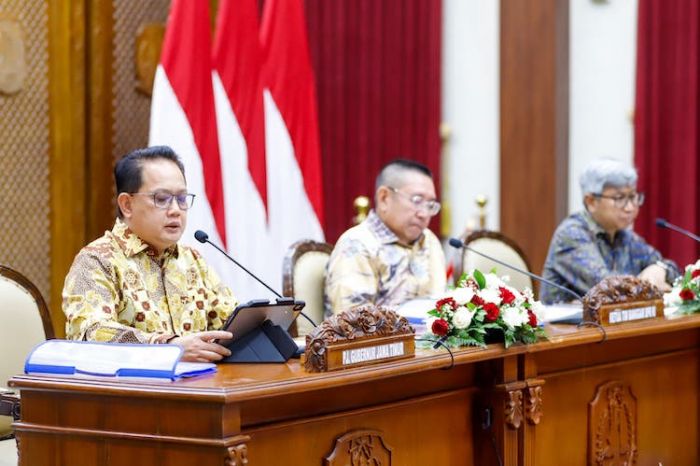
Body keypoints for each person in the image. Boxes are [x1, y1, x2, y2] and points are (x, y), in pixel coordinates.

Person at [62, 146, 236, 362]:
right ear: (127, 205)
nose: (175, 210)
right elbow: (92, 334)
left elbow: (229, 323)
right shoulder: (97, 260)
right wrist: (168, 347)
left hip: (198, 388)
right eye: (162, 199)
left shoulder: (192, 260)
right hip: (130, 391)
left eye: (182, 199)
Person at [541, 158, 679, 304]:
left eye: (632, 197)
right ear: (591, 201)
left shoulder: (625, 236)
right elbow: (609, 288)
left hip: (614, 325)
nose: (630, 207)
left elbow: (675, 272)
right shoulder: (571, 235)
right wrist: (651, 285)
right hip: (566, 326)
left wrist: (660, 269)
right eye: (619, 198)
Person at [324, 159, 446, 315]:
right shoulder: (357, 244)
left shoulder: (429, 240)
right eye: (417, 200)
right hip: (374, 339)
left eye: (430, 205)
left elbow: (440, 305)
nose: (423, 214)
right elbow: (354, 323)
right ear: (384, 198)